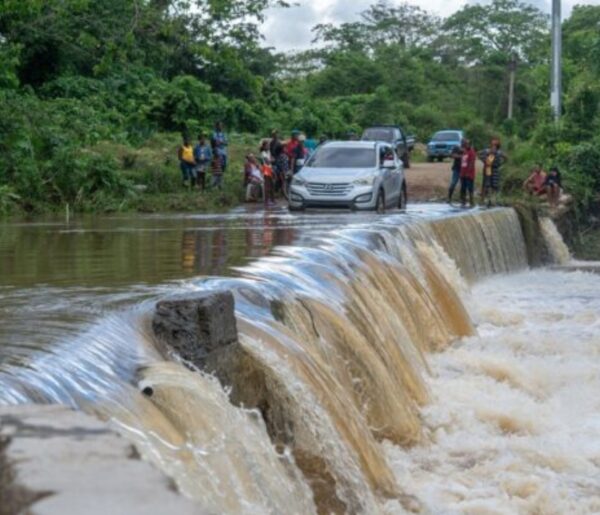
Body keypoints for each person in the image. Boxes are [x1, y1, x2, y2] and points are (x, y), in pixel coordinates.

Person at [479, 138, 507, 207]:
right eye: (492, 144)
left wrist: (500, 164)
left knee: (494, 185)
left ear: (497, 146)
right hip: (488, 169)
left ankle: (492, 200)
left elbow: (506, 158)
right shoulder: (487, 151)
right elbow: (479, 154)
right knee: (486, 184)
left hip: (495, 169)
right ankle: (484, 200)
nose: (493, 146)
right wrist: (484, 160)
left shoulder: (499, 152)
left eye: (495, 145)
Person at [460, 139, 477, 208]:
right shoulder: (464, 152)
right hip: (463, 173)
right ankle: (463, 202)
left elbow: (472, 163)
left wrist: (468, 172)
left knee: (470, 188)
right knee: (463, 188)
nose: (466, 145)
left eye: (467, 144)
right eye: (465, 144)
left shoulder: (472, 152)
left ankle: (471, 202)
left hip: (469, 174)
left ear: (470, 145)